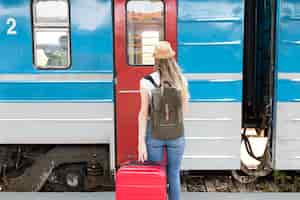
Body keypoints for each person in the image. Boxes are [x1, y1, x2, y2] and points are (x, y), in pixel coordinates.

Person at [138, 41, 189, 200]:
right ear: (172, 58)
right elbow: (184, 112)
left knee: (156, 174)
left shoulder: (146, 81)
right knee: (174, 174)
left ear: (156, 60)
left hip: (155, 135)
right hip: (176, 135)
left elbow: (143, 113)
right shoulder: (181, 81)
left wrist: (141, 142)